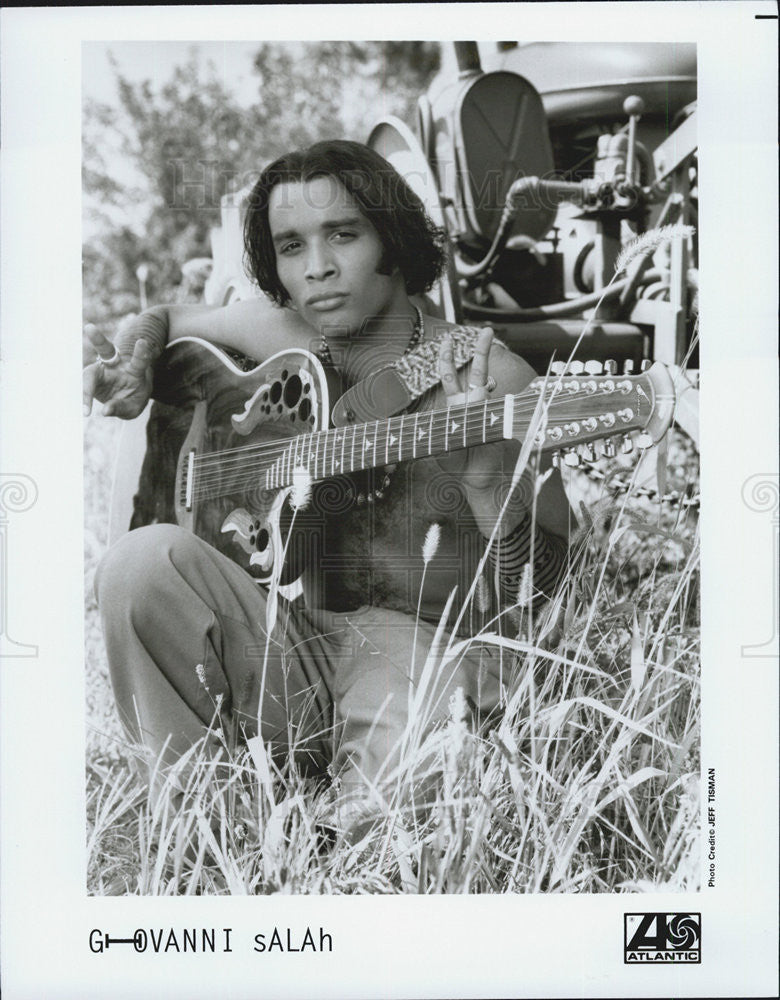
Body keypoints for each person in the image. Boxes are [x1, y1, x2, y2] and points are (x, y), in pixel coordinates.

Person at [83, 140, 571, 827]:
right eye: (291, 246)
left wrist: (490, 482)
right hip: (295, 641)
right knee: (138, 563)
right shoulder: (281, 329)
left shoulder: (490, 378)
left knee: (392, 794)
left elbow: (555, 593)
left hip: (423, 651)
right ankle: (196, 821)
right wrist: (135, 359)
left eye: (344, 234)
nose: (317, 269)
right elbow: (168, 321)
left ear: (393, 241)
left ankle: (331, 837)